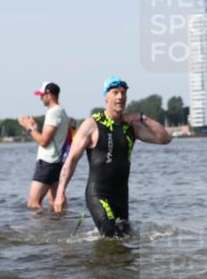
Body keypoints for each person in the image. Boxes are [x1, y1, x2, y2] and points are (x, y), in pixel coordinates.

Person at [53, 77, 171, 237]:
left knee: (124, 239)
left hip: (121, 196)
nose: (120, 97)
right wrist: (60, 192)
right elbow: (72, 159)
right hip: (98, 194)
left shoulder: (131, 127)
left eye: (123, 93)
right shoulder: (92, 124)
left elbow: (165, 138)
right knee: (110, 232)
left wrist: (142, 118)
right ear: (106, 97)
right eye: (115, 92)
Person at [18, 82, 69, 209]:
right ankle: (61, 226)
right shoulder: (60, 111)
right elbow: (49, 138)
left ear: (49, 94)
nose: (40, 98)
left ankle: (41, 229)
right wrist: (35, 128)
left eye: (42, 95)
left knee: (33, 203)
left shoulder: (53, 112)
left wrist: (28, 128)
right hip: (56, 161)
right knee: (54, 201)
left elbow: (44, 141)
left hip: (48, 162)